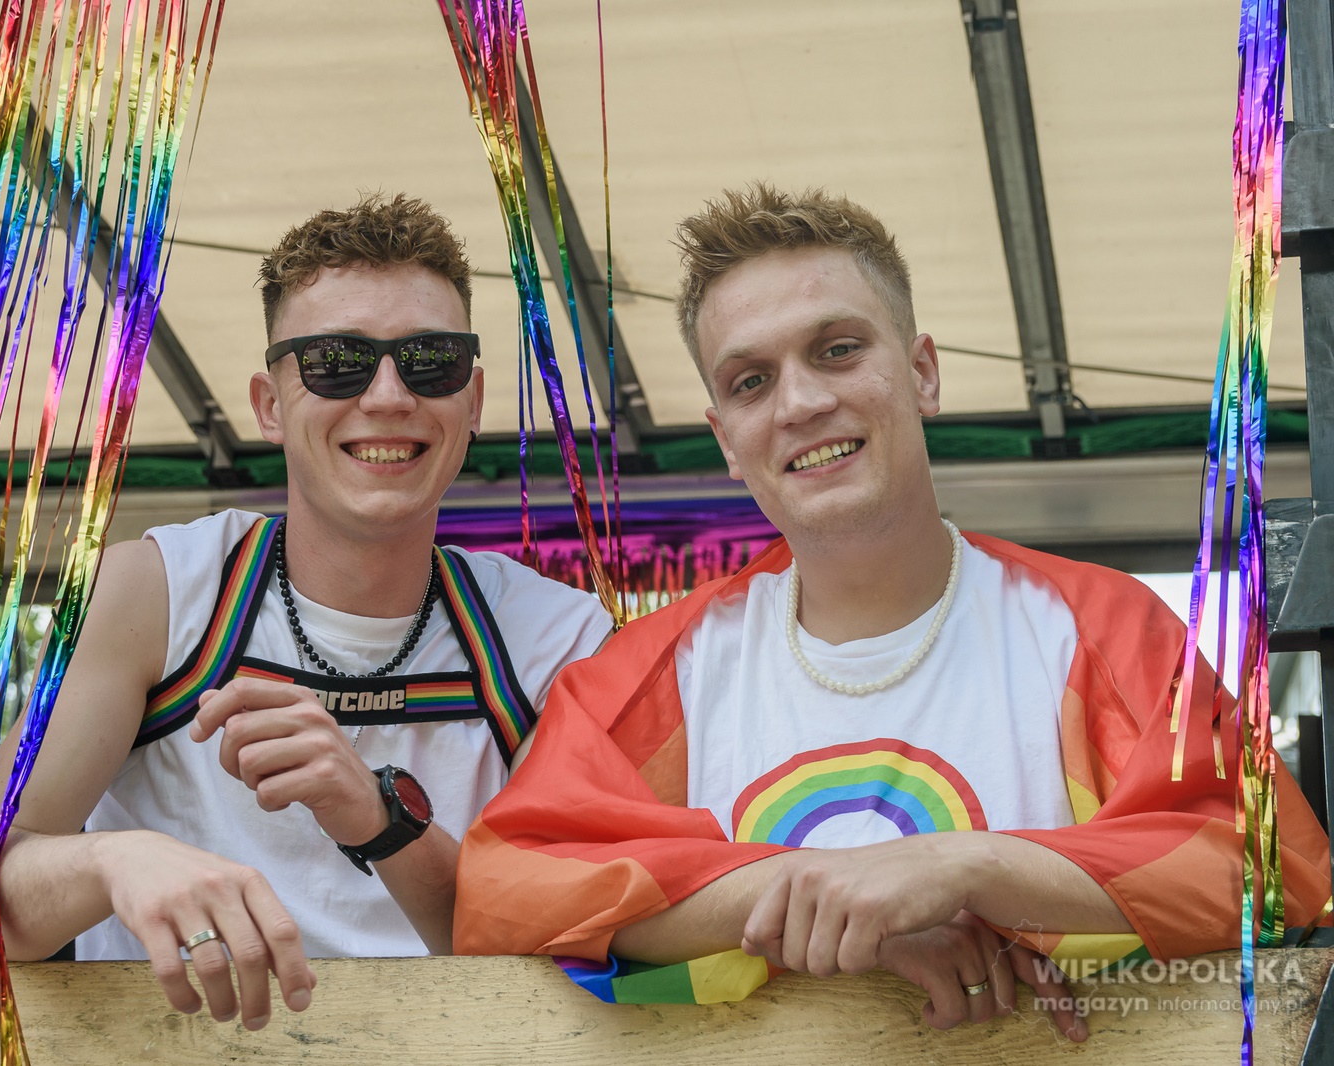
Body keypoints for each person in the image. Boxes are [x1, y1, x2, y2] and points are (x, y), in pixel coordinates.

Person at [453, 185, 1333, 1038]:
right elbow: (505, 891)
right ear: (726, 440)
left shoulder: (1100, 626)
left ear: (922, 373)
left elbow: (1273, 867)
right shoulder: (649, 672)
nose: (802, 403)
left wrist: (967, 867)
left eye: (837, 349)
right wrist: (827, 899)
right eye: (752, 381)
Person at [0, 193, 614, 1030]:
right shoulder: (156, 592)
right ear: (269, 405)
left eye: (430, 360)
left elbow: (579, 947)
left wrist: (381, 819)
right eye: (335, 362)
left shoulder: (558, 637)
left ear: (473, 400)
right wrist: (114, 863)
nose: (388, 395)